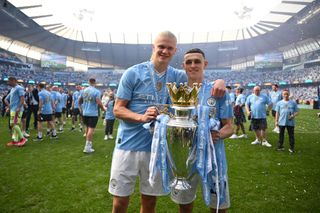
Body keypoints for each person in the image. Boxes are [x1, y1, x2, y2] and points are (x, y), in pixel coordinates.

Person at [108, 31, 226, 213]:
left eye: (169, 48)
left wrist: (220, 81)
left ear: (174, 51)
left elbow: (199, 76)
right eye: (161, 46)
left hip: (156, 150)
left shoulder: (178, 76)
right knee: (120, 202)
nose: (165, 51)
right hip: (128, 147)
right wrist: (141, 118)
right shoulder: (133, 73)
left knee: (149, 203)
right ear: (153, 47)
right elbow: (117, 109)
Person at [171, 48, 233, 213]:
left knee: (218, 207)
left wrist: (217, 134)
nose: (193, 65)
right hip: (185, 159)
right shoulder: (178, 93)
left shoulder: (217, 91)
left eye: (197, 61)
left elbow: (229, 126)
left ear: (205, 64)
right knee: (184, 206)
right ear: (183, 66)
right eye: (189, 62)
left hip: (214, 159)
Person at [79, 78, 105, 153]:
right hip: (92, 113)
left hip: (85, 112)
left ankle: (88, 144)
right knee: (91, 129)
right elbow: (99, 102)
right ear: (95, 82)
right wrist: (103, 109)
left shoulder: (84, 90)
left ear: (88, 82)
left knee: (87, 128)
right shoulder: (96, 91)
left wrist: (81, 108)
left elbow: (80, 101)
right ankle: (87, 147)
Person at [4, 77, 27, 147]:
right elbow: (6, 99)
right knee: (14, 125)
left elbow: (22, 99)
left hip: (17, 110)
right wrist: (9, 106)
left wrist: (19, 107)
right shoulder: (12, 89)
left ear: (13, 81)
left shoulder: (19, 88)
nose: (8, 83)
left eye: (9, 81)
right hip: (13, 109)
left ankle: (23, 139)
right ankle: (15, 141)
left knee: (13, 124)